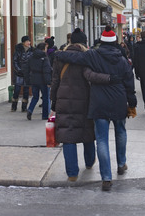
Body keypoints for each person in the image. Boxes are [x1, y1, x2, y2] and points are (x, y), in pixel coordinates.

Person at [53, 25, 137, 191]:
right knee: (121, 132)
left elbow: (74, 59)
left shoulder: (93, 56)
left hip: (99, 102)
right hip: (118, 101)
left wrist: (57, 53)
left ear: (101, 41)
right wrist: (132, 103)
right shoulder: (122, 60)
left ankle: (106, 177)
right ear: (115, 41)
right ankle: (121, 163)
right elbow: (129, 84)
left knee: (102, 140)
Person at [50, 28, 111, 182]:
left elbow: (55, 81)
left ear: (70, 41)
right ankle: (89, 162)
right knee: (87, 131)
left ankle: (72, 173)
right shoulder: (88, 56)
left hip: (64, 100)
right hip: (86, 99)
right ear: (84, 42)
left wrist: (53, 101)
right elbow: (91, 78)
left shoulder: (60, 57)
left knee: (67, 134)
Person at [24, 42, 52, 120]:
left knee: (35, 97)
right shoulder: (44, 57)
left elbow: (26, 69)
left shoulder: (31, 56)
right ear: (43, 49)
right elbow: (46, 71)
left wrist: (27, 79)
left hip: (34, 79)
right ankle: (45, 115)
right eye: (46, 48)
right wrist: (48, 82)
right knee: (46, 97)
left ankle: (30, 110)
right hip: (43, 80)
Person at [11, 36, 34, 112]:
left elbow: (33, 62)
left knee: (26, 90)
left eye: (29, 41)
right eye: (27, 41)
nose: (29, 43)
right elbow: (15, 61)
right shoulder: (18, 50)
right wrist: (18, 70)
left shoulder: (32, 51)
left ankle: (24, 107)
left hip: (27, 73)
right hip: (19, 73)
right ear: (23, 42)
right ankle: (14, 106)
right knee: (17, 90)